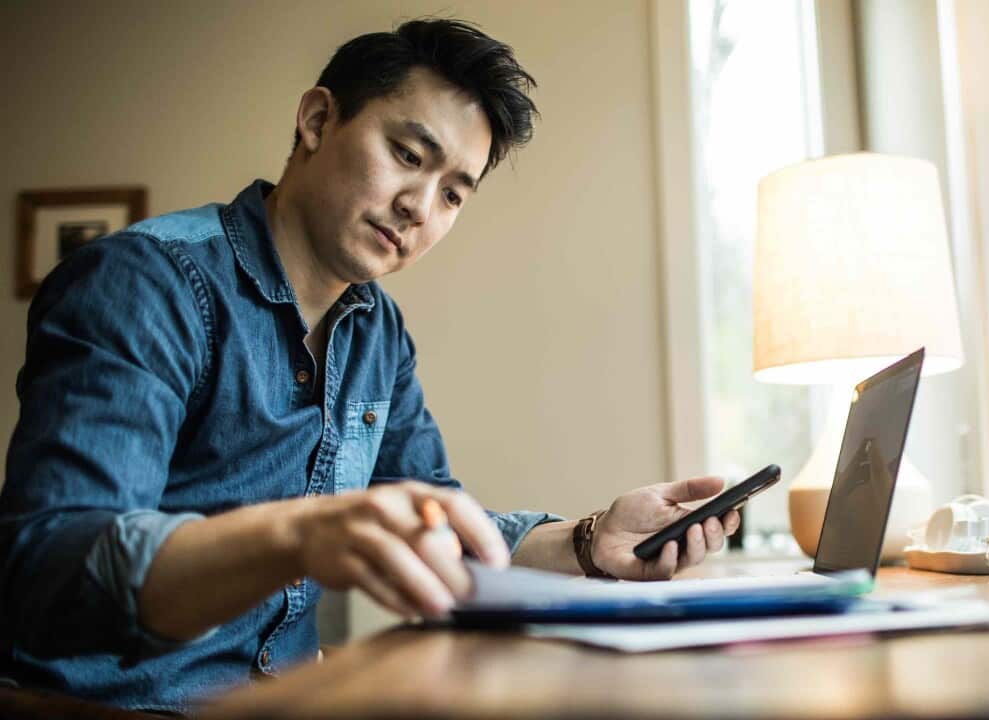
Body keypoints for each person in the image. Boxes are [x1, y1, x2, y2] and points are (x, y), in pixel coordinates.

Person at [0, 18, 740, 713]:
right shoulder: (145, 284)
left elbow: (437, 522)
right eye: (408, 157)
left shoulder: (377, 330)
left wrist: (593, 540)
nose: (421, 206)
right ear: (319, 121)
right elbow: (50, 572)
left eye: (454, 192)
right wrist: (295, 536)